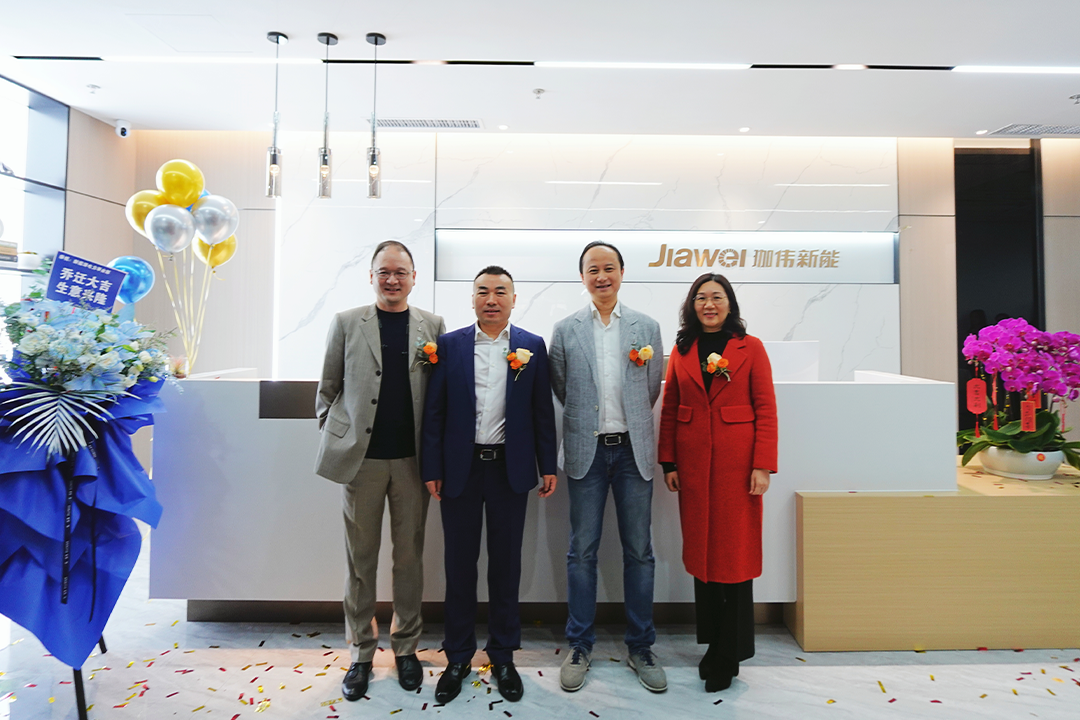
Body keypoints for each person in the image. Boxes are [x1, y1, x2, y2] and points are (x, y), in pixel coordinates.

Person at [314, 241, 446, 701]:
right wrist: (337, 433)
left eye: (401, 272)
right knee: (360, 559)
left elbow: (439, 394)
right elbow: (328, 387)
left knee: (409, 558)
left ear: (413, 277)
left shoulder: (432, 326)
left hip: (412, 462)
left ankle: (406, 648)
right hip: (362, 461)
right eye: (384, 272)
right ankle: (361, 652)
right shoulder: (347, 322)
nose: (393, 279)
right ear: (371, 276)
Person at [421, 265, 558, 705]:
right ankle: (458, 656)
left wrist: (548, 465)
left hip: (508, 470)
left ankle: (502, 656)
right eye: (483, 291)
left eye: (501, 292)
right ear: (473, 299)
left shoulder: (531, 347)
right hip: (460, 471)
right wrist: (432, 467)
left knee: (505, 566)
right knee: (459, 566)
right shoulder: (450, 345)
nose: (492, 299)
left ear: (514, 299)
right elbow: (435, 412)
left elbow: (541, 412)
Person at [549, 241, 666, 693]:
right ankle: (580, 644)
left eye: (609, 268)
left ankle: (641, 646)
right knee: (582, 552)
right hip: (588, 451)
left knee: (640, 551)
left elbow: (650, 389)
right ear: (582, 277)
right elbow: (562, 388)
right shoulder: (565, 330)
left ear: (621, 272)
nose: (602, 276)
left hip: (633, 451)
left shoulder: (646, 327)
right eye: (593, 269)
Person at [657, 273, 778, 693]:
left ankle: (731, 652)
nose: (709, 304)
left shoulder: (750, 347)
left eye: (717, 297)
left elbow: (766, 408)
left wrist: (762, 465)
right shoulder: (682, 349)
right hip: (693, 467)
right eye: (701, 298)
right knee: (704, 558)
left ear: (730, 304)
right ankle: (713, 644)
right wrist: (668, 461)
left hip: (737, 467)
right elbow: (671, 407)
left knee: (734, 558)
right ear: (691, 305)